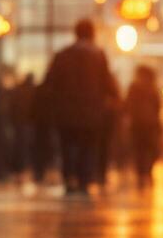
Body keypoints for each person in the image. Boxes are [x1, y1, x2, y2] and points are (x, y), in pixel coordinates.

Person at [42, 19, 114, 195]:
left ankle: (69, 179)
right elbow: (107, 84)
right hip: (91, 113)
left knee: (67, 146)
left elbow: (49, 83)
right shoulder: (99, 55)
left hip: (66, 113)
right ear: (92, 34)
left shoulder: (62, 55)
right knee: (88, 147)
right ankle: (84, 181)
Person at [124, 65, 162, 186]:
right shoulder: (152, 88)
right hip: (150, 123)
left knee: (139, 149)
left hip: (138, 123)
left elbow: (128, 104)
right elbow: (158, 106)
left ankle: (141, 173)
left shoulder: (134, 88)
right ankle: (147, 171)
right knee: (149, 148)